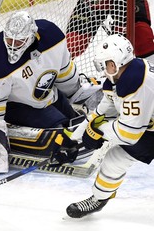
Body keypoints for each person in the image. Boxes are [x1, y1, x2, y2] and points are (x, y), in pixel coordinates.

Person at [0, 10, 82, 174]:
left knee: (76, 121)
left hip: (48, 96)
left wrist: (77, 94)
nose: (12, 46)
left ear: (32, 36)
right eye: (9, 40)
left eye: (18, 42)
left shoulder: (52, 36)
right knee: (59, 130)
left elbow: (64, 72)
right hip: (16, 106)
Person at [65, 34, 154, 218]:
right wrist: (73, 140)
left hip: (144, 129)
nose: (103, 69)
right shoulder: (120, 79)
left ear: (115, 63)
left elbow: (128, 134)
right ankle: (98, 199)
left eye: (105, 64)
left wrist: (97, 132)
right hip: (149, 128)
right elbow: (100, 112)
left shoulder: (136, 82)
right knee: (116, 158)